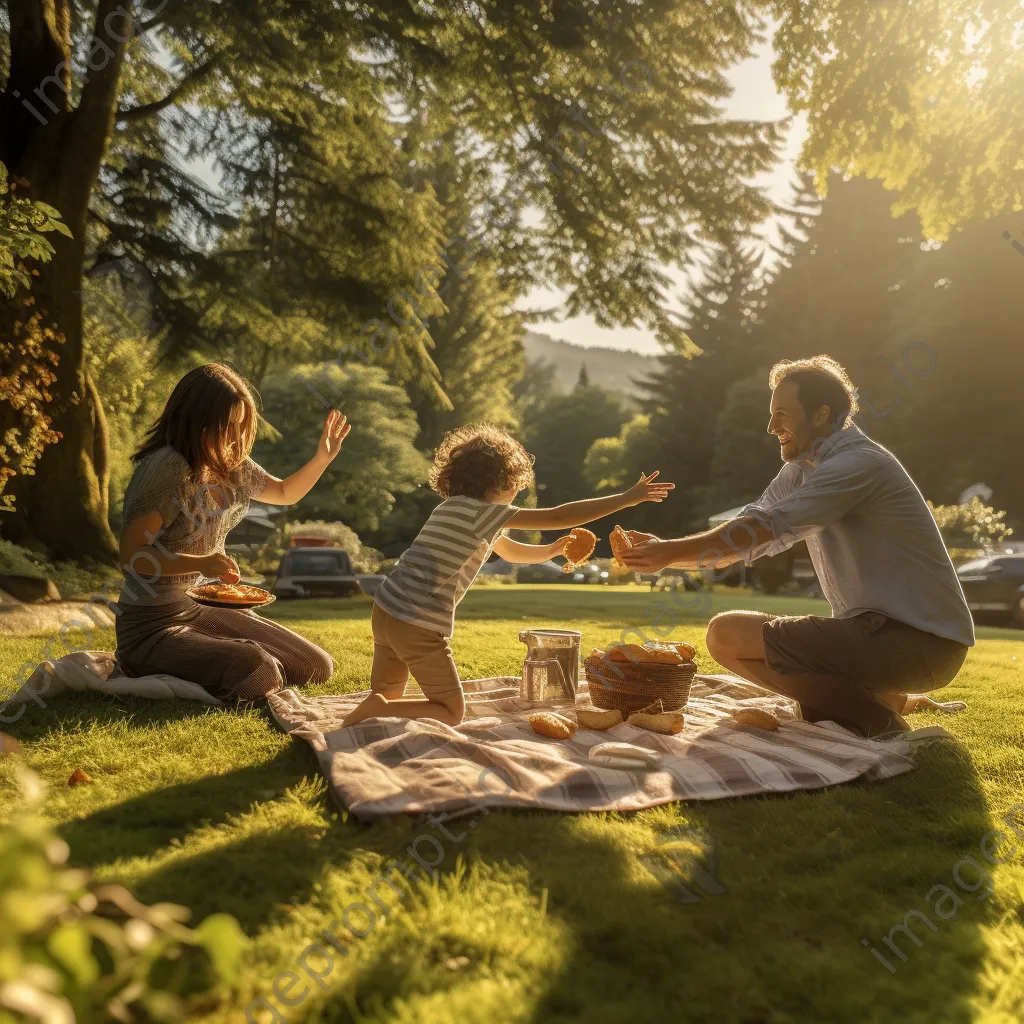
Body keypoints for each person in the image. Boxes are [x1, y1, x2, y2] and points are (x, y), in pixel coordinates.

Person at [621, 355, 974, 738]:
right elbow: (749, 531)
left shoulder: (858, 465)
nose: (772, 426)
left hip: (921, 644)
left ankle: (885, 726)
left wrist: (668, 552)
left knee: (726, 635)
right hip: (875, 636)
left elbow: (767, 529)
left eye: (783, 414)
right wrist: (664, 554)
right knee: (739, 642)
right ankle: (882, 701)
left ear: (822, 415)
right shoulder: (801, 469)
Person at [342, 424, 674, 728]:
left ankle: (370, 713)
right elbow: (560, 515)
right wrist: (626, 499)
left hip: (386, 608)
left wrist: (551, 551)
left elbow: (509, 550)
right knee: (450, 711)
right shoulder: (486, 514)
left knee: (388, 691)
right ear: (504, 482)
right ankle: (377, 711)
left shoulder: (450, 509)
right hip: (416, 621)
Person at [115, 363, 346, 703]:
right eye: (226, 426)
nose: (234, 438)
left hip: (203, 610)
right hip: (152, 626)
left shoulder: (231, 464)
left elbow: (283, 493)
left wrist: (322, 459)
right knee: (257, 669)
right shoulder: (168, 467)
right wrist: (203, 563)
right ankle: (157, 664)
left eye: (241, 427)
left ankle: (216, 659)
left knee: (314, 665)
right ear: (196, 419)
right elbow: (131, 556)